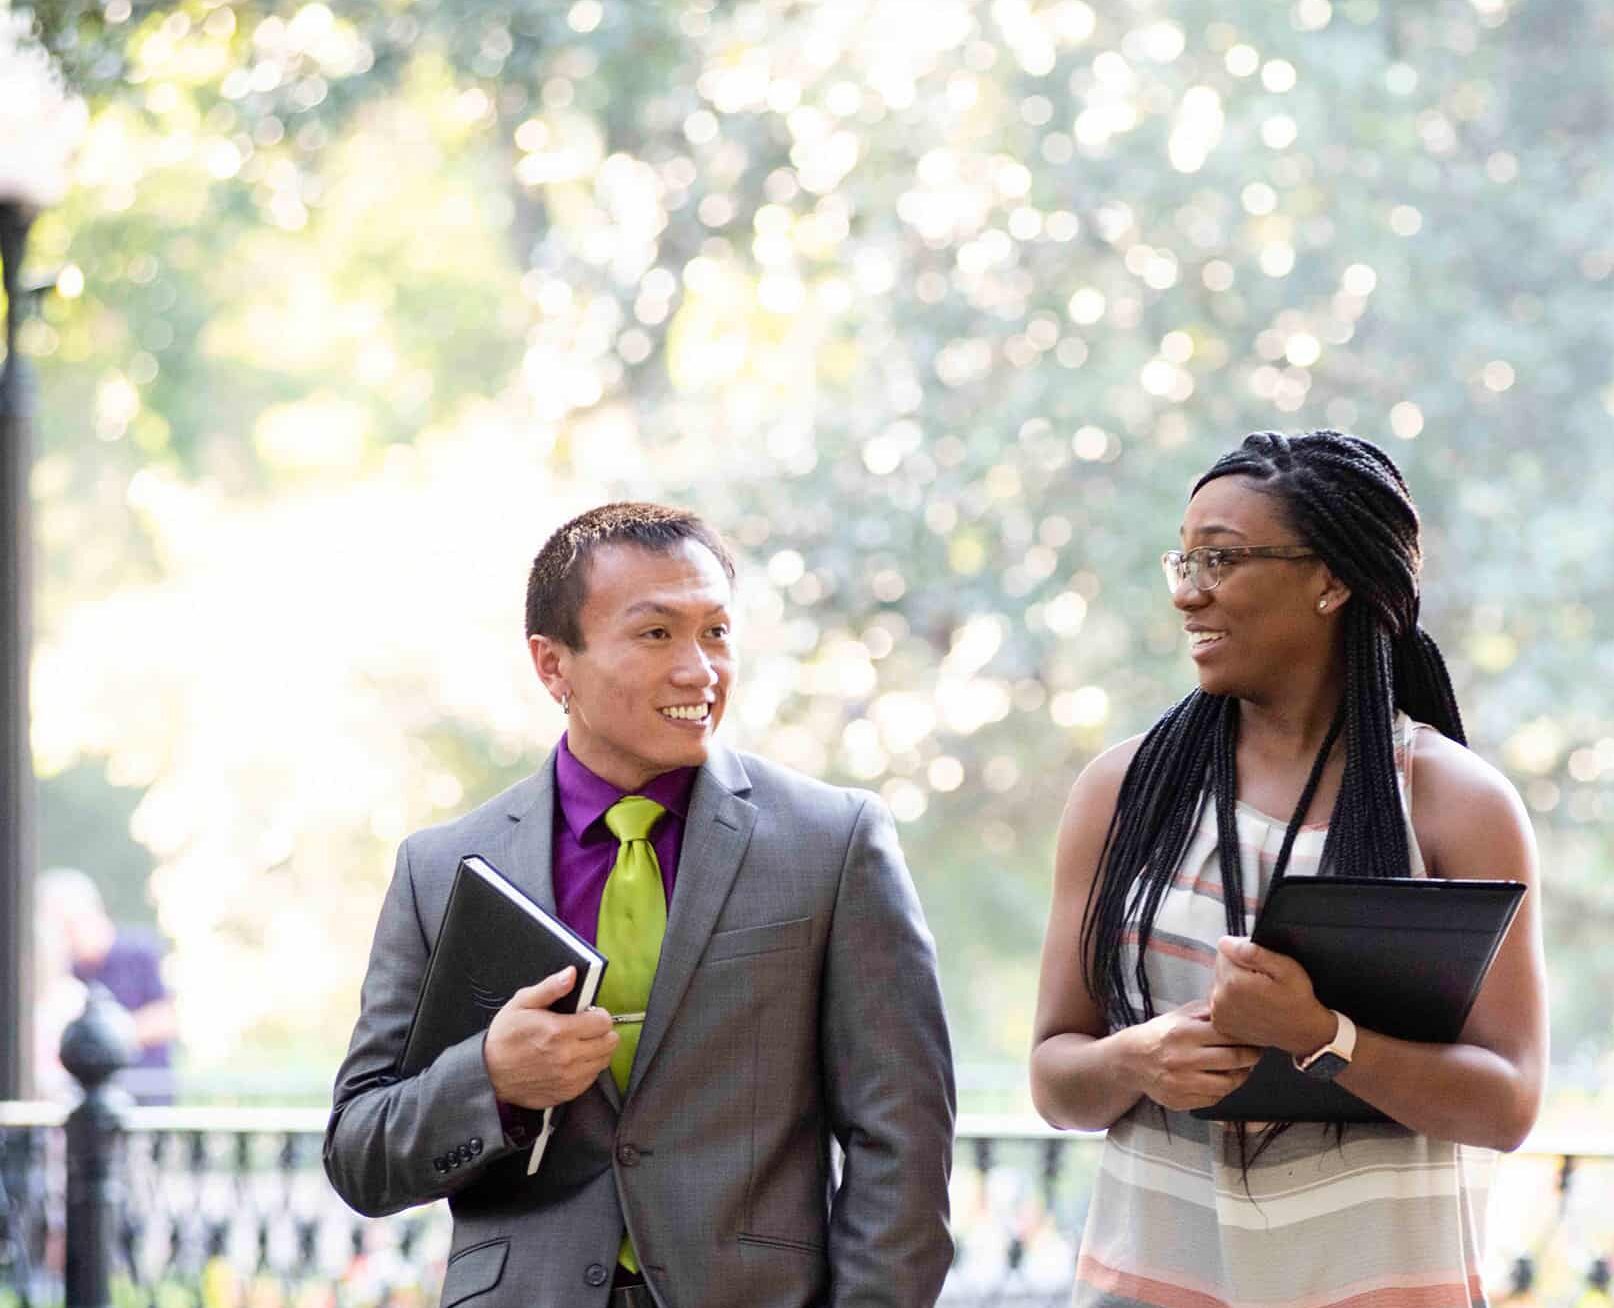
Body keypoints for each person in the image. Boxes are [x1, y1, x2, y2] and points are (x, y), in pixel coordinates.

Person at [324, 502, 956, 1308]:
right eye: (657, 634)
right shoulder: (443, 868)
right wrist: (492, 1078)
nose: (699, 669)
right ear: (553, 665)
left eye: (717, 632)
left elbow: (903, 1141)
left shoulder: (833, 843)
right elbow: (358, 1155)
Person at [1030, 431, 1548, 1308]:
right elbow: (1054, 1075)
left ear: (1331, 580)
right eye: (1182, 561)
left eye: (1222, 560)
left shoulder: (1455, 805)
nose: (1189, 593)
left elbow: (1508, 1105)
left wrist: (1323, 1035)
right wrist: (1137, 1061)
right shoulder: (1122, 793)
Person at [37, 868, 179, 1104]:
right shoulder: (69, 972)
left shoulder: (139, 952)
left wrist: (108, 1036)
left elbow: (167, 1017)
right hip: (86, 1102)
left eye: (66, 925)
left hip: (144, 1096)